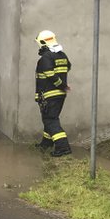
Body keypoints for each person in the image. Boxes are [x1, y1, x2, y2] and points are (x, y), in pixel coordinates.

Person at [34, 29, 72, 157]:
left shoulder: (46, 58)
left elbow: (50, 75)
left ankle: (63, 147)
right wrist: (63, 86)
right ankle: (46, 143)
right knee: (49, 119)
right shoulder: (62, 55)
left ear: (43, 43)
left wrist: (62, 85)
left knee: (50, 120)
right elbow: (68, 66)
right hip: (59, 95)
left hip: (49, 95)